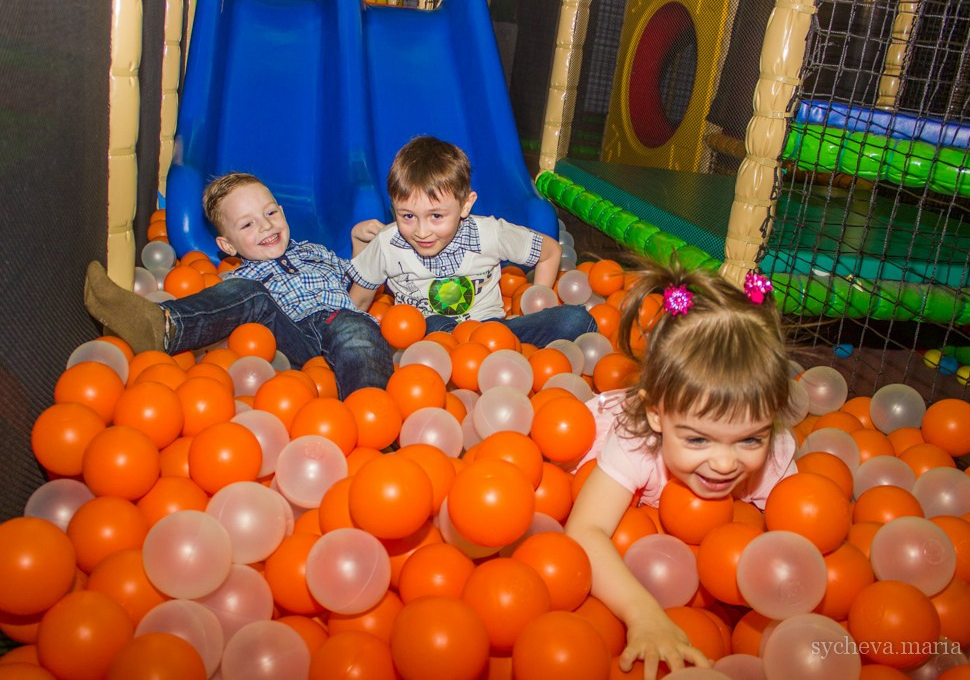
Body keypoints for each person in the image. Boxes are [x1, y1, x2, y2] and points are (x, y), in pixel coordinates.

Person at [564, 261, 798, 679]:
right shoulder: (637, 439)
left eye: (749, 439)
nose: (725, 464)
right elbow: (584, 530)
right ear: (657, 415)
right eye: (698, 440)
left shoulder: (773, 456)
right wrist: (642, 612)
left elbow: (796, 548)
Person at [84, 172, 393, 399]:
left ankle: (369, 420)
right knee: (251, 294)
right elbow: (225, 309)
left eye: (270, 212)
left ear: (282, 212)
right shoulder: (240, 279)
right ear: (227, 246)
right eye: (247, 224)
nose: (266, 225)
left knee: (356, 329)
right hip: (287, 339)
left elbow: (358, 286)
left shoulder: (315, 251)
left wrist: (359, 244)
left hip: (339, 322)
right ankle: (163, 326)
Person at [347, 136, 597, 347]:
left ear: (466, 205)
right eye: (408, 216)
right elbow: (357, 303)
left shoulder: (489, 233)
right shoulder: (388, 244)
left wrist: (534, 306)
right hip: (427, 338)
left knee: (576, 319)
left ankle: (487, 354)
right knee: (433, 324)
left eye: (436, 216)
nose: (421, 232)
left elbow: (550, 251)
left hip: (490, 334)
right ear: (394, 209)